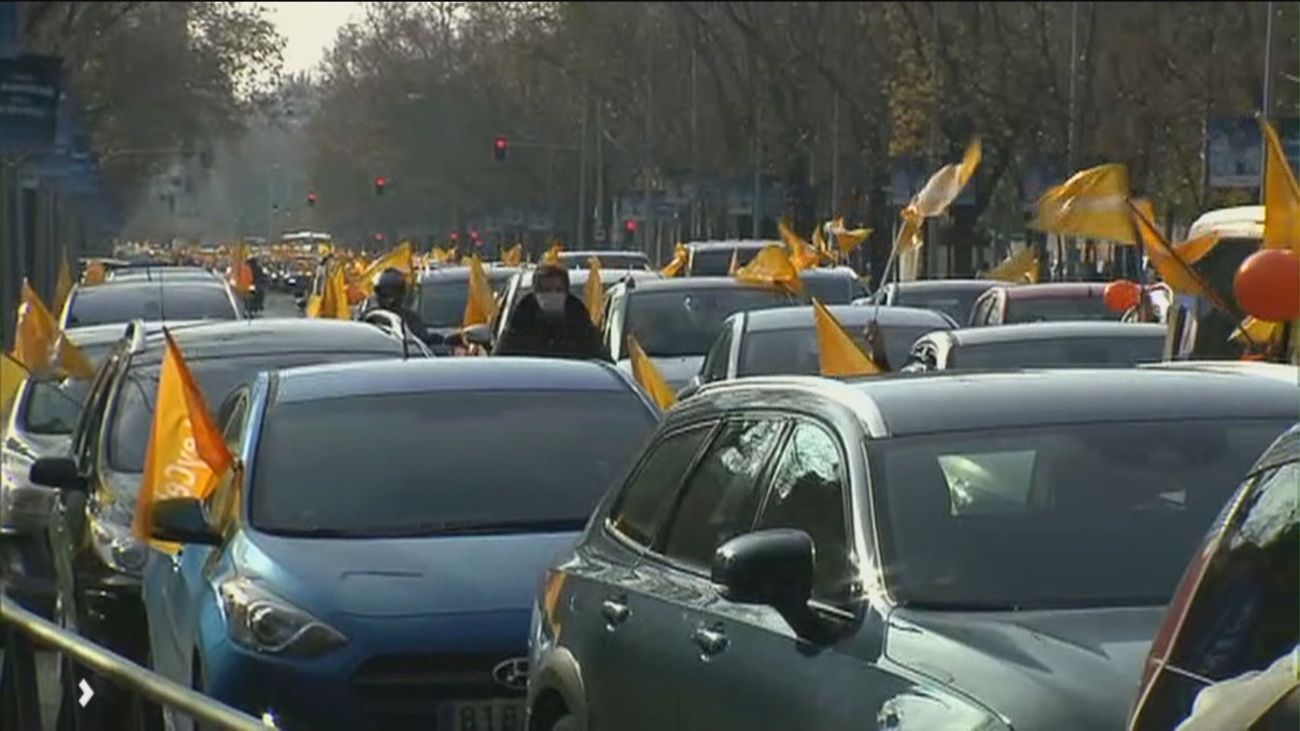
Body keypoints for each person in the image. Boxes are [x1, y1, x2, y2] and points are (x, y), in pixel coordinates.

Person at [495, 263, 611, 361]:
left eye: (558, 290)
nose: (552, 295)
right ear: (535, 292)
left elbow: (601, 359)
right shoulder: (520, 322)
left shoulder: (580, 322)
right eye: (546, 290)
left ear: (566, 292)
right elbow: (501, 360)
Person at [362, 267, 427, 339]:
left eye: (391, 293)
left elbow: (422, 339)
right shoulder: (368, 319)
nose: (388, 299)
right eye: (384, 293)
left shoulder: (411, 320)